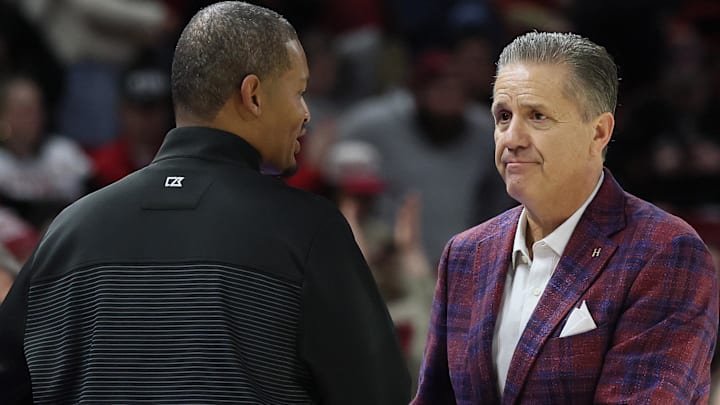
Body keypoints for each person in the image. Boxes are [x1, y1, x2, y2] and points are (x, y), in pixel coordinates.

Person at [0, 2, 410, 404]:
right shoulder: (309, 230)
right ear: (252, 95)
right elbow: (380, 393)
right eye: (298, 92)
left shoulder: (68, 230)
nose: (306, 114)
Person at [412, 31, 718, 403]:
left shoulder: (666, 253)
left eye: (537, 116)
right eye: (503, 116)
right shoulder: (464, 254)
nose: (512, 138)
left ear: (599, 132)